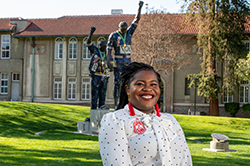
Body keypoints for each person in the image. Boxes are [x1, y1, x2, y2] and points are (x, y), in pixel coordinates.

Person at [99, 62, 192, 166]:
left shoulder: (170, 120)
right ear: (127, 89)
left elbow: (186, 160)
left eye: (153, 84)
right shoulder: (115, 121)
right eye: (140, 84)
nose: (148, 88)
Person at [107, 1, 144, 107]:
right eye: (122, 29)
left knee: (129, 82)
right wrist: (109, 61)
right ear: (119, 28)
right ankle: (116, 104)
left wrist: (139, 7)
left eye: (125, 29)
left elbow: (137, 19)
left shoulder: (129, 33)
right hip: (118, 62)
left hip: (127, 61)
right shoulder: (113, 36)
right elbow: (109, 50)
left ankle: (128, 104)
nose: (123, 31)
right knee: (117, 83)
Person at [87, 27, 110, 109]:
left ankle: (101, 111)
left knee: (102, 96)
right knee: (95, 96)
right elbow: (88, 42)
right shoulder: (95, 50)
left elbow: (111, 65)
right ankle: (93, 111)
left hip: (104, 76)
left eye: (106, 46)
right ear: (100, 46)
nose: (105, 48)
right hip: (96, 76)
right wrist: (91, 33)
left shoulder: (107, 54)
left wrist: (111, 66)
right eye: (104, 46)